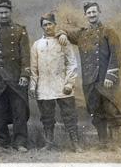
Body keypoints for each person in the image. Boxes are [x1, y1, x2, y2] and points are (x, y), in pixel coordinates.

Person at [57, 2, 121, 150]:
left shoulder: (108, 31)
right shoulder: (82, 33)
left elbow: (116, 55)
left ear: (99, 12)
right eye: (89, 13)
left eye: (94, 12)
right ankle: (103, 143)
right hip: (89, 80)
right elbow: (62, 30)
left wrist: (110, 76)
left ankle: (116, 145)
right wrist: (62, 33)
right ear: (85, 15)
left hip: (105, 79)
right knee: (96, 111)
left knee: (111, 109)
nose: (92, 15)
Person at [29, 13, 83, 153]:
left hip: (62, 84)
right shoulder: (37, 45)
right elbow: (34, 68)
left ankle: (75, 144)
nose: (47, 27)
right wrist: (33, 86)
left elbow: (72, 63)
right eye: (44, 25)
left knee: (69, 115)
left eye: (50, 24)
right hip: (44, 86)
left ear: (55, 24)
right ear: (42, 27)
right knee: (47, 117)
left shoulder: (63, 41)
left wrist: (69, 83)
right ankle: (49, 143)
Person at [0, 0, 30, 152]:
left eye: (6, 12)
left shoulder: (19, 30)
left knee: (19, 111)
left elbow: (25, 55)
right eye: (0, 12)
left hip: (16, 78)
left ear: (10, 12)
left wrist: (25, 74)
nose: (3, 15)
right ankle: (1, 143)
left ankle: (20, 143)